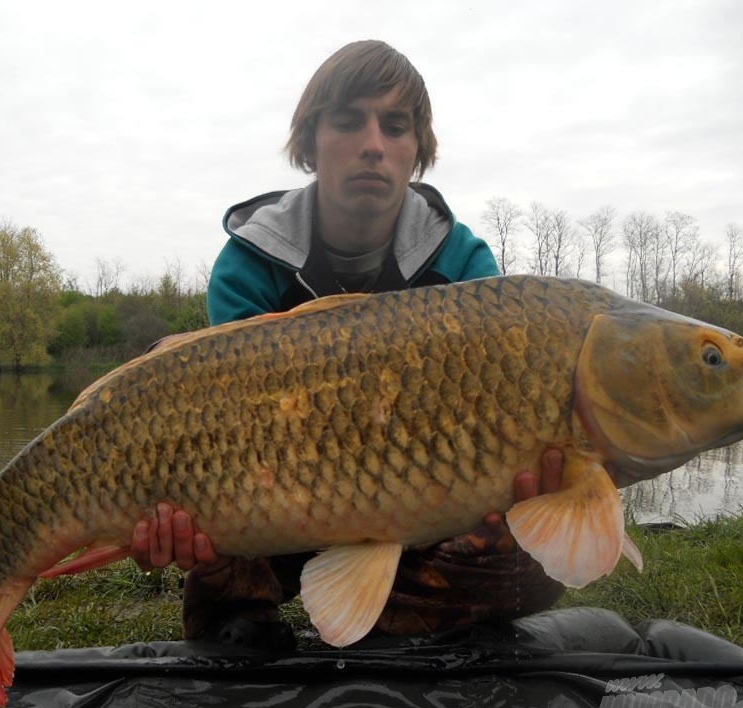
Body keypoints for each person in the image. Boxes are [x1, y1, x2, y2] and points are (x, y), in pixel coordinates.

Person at [132, 40, 565, 649]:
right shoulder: (249, 265)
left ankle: (387, 624)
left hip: (422, 507)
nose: (372, 145)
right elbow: (215, 431)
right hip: (275, 503)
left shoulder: (466, 266)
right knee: (208, 505)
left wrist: (516, 493)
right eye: (347, 121)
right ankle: (244, 618)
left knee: (534, 564)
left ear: (419, 151)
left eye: (395, 127)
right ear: (309, 143)